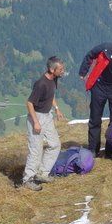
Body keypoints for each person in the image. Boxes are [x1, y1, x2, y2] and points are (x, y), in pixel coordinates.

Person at [22, 56, 65, 191]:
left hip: (47, 116)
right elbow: (29, 103)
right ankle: (27, 180)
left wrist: (57, 109)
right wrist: (36, 122)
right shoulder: (41, 84)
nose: (62, 71)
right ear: (52, 70)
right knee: (36, 150)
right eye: (60, 69)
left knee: (55, 144)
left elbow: (51, 96)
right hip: (37, 117)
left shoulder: (53, 79)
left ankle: (41, 173)